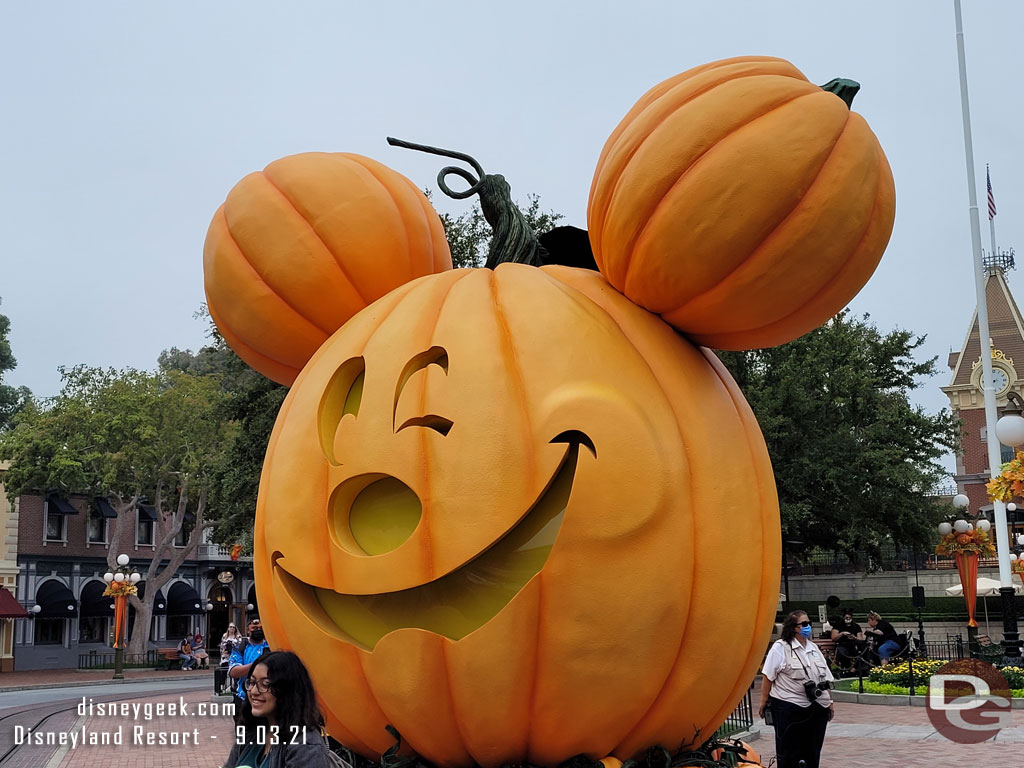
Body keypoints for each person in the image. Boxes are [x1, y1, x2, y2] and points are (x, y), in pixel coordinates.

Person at [222, 651, 333, 768]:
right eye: (252, 682)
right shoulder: (250, 734)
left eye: (265, 684)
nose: (254, 691)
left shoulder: (306, 745)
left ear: (288, 690)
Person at [758, 610, 835, 768]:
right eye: (804, 624)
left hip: (817, 707)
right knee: (790, 753)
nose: (808, 627)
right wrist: (764, 701)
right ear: (794, 627)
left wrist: (830, 701)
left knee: (812, 751)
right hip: (790, 706)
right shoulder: (781, 647)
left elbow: (825, 678)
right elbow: (768, 676)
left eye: (809, 623)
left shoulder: (813, 648)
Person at [229, 616, 270, 701]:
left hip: (267, 697)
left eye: (261, 628)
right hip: (243, 697)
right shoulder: (240, 647)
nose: (258, 630)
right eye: (254, 628)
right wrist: (256, 664)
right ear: (248, 630)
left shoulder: (271, 646)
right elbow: (233, 672)